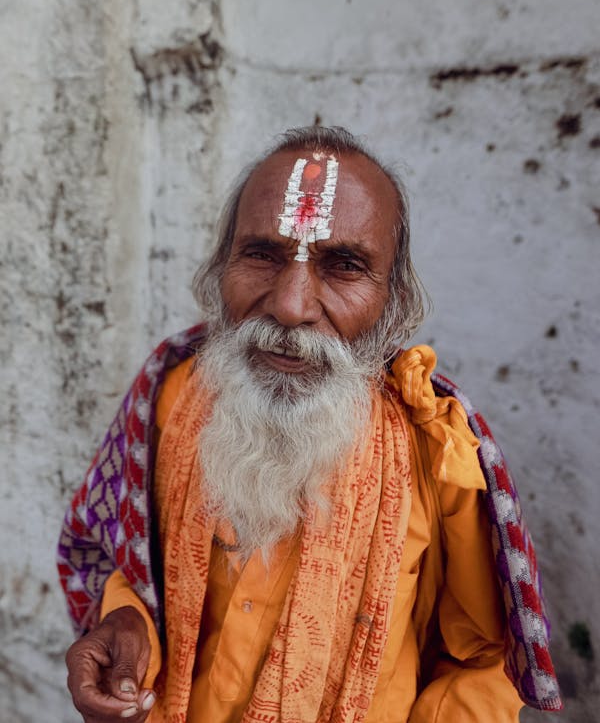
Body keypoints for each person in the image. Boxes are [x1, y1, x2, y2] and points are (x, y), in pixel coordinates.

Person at [59, 126, 561, 722]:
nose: (291, 305)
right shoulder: (169, 400)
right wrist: (125, 620)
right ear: (221, 268)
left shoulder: (437, 451)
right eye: (263, 255)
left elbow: (485, 658)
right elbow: (126, 559)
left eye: (343, 264)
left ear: (394, 302)